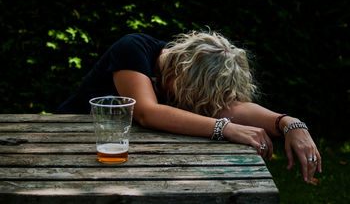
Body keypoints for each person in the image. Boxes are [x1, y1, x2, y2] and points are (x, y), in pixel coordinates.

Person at [57, 31, 322, 183]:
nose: (195, 104)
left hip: (129, 165)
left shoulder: (186, 82)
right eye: (194, 94)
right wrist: (225, 129)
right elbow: (147, 112)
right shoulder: (133, 49)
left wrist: (289, 123)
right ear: (183, 71)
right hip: (65, 145)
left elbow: (230, 107)